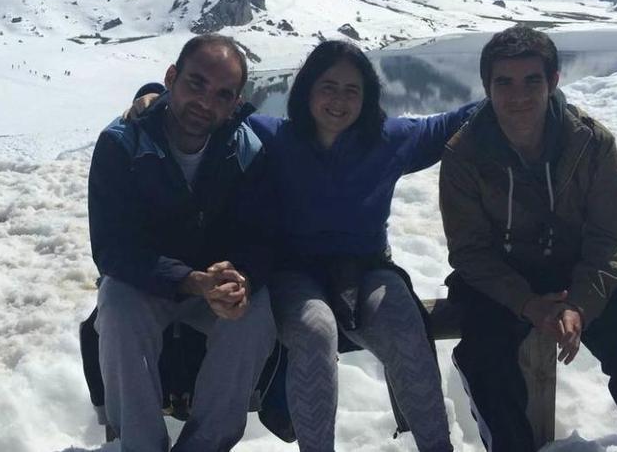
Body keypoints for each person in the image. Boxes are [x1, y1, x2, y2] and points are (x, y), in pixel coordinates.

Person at [129, 40, 474, 451]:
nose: (339, 100)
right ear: (307, 89)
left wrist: (537, 99)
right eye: (328, 86)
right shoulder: (274, 136)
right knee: (315, 330)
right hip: (293, 274)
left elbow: (455, 123)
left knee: (404, 322)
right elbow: (211, 104)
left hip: (366, 269)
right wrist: (151, 93)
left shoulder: (390, 139)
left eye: (352, 90)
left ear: (367, 98)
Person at [439, 25, 617, 452]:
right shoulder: (464, 155)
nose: (518, 96)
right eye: (505, 82)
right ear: (486, 86)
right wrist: (527, 302)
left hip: (579, 269)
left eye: (532, 80)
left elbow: (613, 239)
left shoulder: (590, 143)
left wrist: (579, 303)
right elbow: (470, 251)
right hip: (502, 276)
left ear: (553, 81)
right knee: (484, 357)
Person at [87, 33, 276, 452]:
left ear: (234, 103)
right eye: (196, 84)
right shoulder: (122, 144)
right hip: (147, 284)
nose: (206, 102)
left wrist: (239, 276)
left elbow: (263, 236)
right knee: (116, 306)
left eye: (222, 94)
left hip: (211, 287)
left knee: (255, 315)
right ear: (171, 78)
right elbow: (113, 249)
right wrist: (191, 280)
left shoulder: (245, 149)